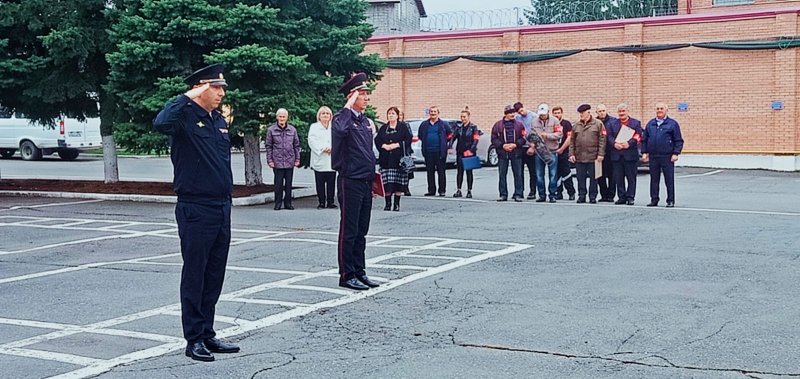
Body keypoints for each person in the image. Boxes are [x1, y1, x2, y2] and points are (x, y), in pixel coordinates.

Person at [153, 63, 240, 362]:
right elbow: (160, 123)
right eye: (216, 88)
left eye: (221, 88)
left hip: (221, 206)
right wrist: (187, 95)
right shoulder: (183, 117)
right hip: (196, 207)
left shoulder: (218, 120)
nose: (220, 93)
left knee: (214, 273)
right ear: (201, 88)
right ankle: (194, 339)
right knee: (195, 273)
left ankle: (208, 332)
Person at [331, 73, 380, 291]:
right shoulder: (343, 119)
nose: (366, 98)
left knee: (362, 230)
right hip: (349, 180)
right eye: (362, 94)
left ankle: (360, 271)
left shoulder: (365, 121)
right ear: (352, 97)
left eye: (367, 94)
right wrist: (347, 107)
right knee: (349, 230)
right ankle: (346, 274)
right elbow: (340, 132)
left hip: (366, 180)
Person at [642, 102, 684, 208]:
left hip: (667, 156)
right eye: (657, 108)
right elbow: (645, 139)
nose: (659, 110)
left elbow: (678, 140)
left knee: (669, 179)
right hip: (653, 156)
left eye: (661, 108)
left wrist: (676, 153)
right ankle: (654, 199)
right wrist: (644, 152)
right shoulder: (650, 123)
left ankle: (670, 200)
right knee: (654, 179)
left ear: (666, 110)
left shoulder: (672, 124)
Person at [374, 106, 413, 211]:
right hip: (386, 159)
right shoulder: (383, 128)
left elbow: (408, 139)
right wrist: (383, 146)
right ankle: (387, 204)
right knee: (387, 183)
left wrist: (397, 145)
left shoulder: (403, 127)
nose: (390, 115)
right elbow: (377, 140)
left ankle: (396, 204)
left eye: (393, 114)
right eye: (389, 113)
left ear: (397, 116)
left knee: (398, 183)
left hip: (398, 159)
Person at [606, 103, 643, 205]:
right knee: (618, 178)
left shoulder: (635, 123)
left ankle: (630, 197)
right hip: (616, 155)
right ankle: (621, 197)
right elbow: (608, 136)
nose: (622, 113)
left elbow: (638, 136)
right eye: (620, 111)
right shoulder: (612, 123)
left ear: (627, 111)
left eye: (623, 111)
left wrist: (629, 143)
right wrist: (614, 144)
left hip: (630, 155)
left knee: (631, 178)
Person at [569, 104, 606, 204]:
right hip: (579, 156)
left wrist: (601, 154)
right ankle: (582, 195)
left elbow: (602, 140)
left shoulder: (598, 124)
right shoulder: (576, 125)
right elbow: (572, 141)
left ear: (588, 112)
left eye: (583, 113)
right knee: (580, 178)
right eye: (580, 113)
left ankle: (592, 196)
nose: (581, 115)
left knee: (594, 178)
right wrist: (571, 154)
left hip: (593, 156)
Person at [265, 108, 301, 210]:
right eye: (280, 116)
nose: (282, 118)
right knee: (278, 184)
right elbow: (268, 146)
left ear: (287, 118)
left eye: (283, 116)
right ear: (277, 117)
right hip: (277, 162)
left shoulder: (292, 130)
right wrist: (270, 160)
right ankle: (278, 203)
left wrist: (297, 159)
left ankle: (288, 203)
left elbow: (296, 146)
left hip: (290, 161)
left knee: (289, 184)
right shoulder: (271, 130)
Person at [491, 105, 526, 202]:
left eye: (513, 112)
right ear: (505, 114)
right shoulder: (497, 125)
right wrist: (502, 145)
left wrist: (516, 144)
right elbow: (493, 139)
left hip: (516, 153)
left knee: (518, 174)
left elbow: (524, 138)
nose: (512, 114)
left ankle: (518, 194)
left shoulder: (519, 125)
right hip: (502, 154)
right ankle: (503, 194)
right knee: (502, 174)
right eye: (510, 113)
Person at [530, 103, 563, 203]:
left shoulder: (555, 121)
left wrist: (548, 136)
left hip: (551, 150)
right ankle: (541, 195)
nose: (542, 116)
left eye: (544, 114)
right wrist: (532, 145)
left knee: (553, 174)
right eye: (541, 114)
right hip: (539, 151)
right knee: (539, 175)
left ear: (548, 112)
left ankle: (552, 195)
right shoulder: (534, 121)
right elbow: (531, 135)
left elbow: (559, 134)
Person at [418, 105, 453, 196]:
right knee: (430, 172)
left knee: (441, 171)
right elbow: (420, 135)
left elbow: (450, 135)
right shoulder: (424, 124)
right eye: (431, 111)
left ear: (438, 113)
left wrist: (445, 144)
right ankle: (431, 190)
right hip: (428, 151)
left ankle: (442, 190)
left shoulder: (444, 124)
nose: (433, 113)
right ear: (429, 113)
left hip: (440, 152)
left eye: (435, 112)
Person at [308, 106, 337, 209]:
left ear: (330, 116)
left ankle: (330, 202)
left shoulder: (334, 127)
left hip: (331, 159)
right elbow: (311, 141)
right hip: (319, 158)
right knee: (320, 183)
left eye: (327, 113)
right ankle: (321, 202)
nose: (325, 115)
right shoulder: (314, 126)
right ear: (319, 116)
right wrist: (322, 149)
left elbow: (338, 139)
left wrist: (333, 148)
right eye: (323, 113)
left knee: (331, 183)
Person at [451, 107, 481, 198]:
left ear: (468, 117)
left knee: (469, 172)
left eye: (464, 116)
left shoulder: (473, 127)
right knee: (459, 172)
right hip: (460, 152)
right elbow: (453, 137)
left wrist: (471, 150)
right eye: (461, 117)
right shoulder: (459, 128)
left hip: (469, 153)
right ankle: (459, 190)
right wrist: (450, 145)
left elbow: (476, 140)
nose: (463, 118)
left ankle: (469, 191)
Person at [514, 102, 538, 200]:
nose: (521, 113)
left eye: (522, 110)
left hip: (531, 146)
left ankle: (532, 191)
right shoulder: (517, 118)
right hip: (521, 147)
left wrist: (533, 146)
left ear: (524, 107)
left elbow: (537, 132)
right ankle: (520, 191)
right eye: (519, 112)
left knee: (533, 171)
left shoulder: (534, 116)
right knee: (519, 171)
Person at [552, 106, 576, 200]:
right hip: (553, 153)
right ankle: (558, 192)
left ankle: (571, 192)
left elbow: (570, 138)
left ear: (561, 113)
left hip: (564, 152)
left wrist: (562, 149)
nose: (557, 115)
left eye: (558, 113)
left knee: (566, 173)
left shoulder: (566, 124)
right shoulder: (551, 124)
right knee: (555, 174)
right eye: (555, 113)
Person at [595, 104, 617, 202]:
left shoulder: (613, 121)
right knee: (600, 175)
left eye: (603, 110)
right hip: (598, 152)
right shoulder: (594, 122)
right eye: (600, 111)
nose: (602, 113)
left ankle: (611, 195)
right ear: (597, 112)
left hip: (610, 152)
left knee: (612, 175)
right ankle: (603, 195)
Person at [398, 110, 414, 196]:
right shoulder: (390, 126)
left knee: (406, 170)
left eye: (401, 115)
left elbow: (410, 137)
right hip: (395, 151)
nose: (399, 116)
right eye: (398, 115)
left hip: (405, 151)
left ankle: (406, 188)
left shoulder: (405, 125)